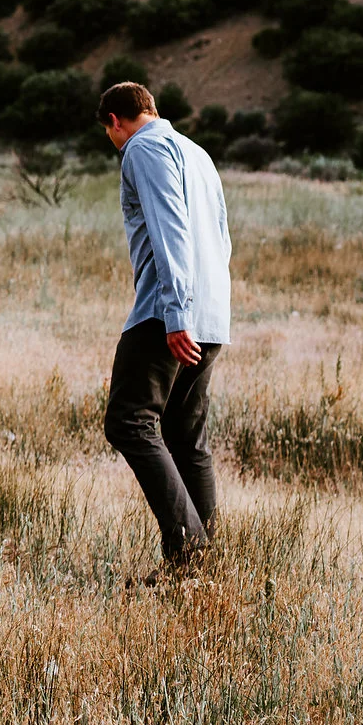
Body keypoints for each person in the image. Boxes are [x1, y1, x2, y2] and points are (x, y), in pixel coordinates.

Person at [98, 81, 233, 580]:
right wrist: (206, 312)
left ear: (115, 120)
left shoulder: (142, 148)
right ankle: (202, 569)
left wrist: (178, 313)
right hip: (212, 312)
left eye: (110, 132)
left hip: (166, 313)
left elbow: (169, 227)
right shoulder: (197, 153)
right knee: (183, 434)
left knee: (128, 421)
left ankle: (189, 554)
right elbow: (221, 237)